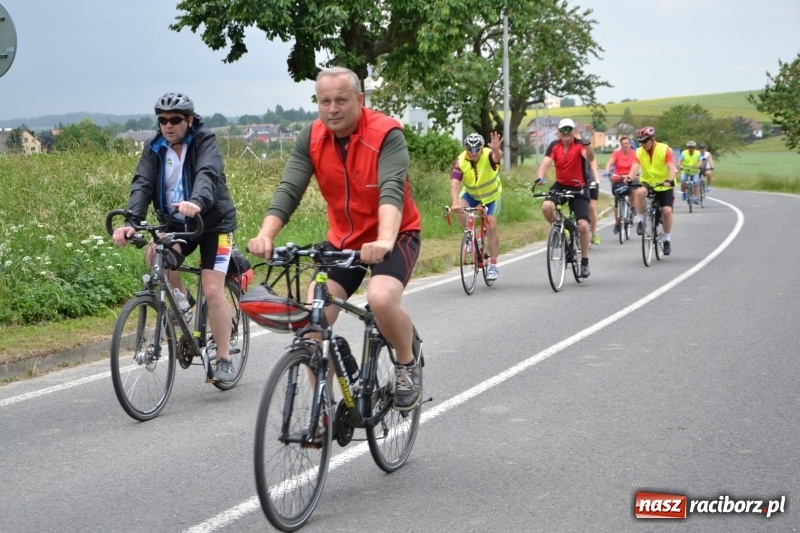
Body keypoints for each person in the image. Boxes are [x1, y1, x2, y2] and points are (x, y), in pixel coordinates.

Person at [247, 67, 422, 410]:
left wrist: (385, 240)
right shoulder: (311, 138)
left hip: (395, 233)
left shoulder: (386, 134)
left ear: (360, 99)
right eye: (324, 101)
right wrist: (265, 235)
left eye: (341, 100)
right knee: (313, 319)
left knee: (382, 298)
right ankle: (322, 408)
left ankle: (406, 362)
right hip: (344, 240)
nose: (332, 109)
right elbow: (289, 189)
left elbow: (391, 191)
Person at [112, 92, 239, 382]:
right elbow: (142, 183)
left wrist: (197, 200)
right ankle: (183, 302)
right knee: (154, 255)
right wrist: (131, 221)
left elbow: (208, 173)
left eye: (174, 120)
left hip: (213, 224)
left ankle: (223, 357)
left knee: (211, 287)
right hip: (178, 223)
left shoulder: (205, 141)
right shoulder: (155, 147)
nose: (168, 125)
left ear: (189, 120)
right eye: (162, 120)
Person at [535, 118, 595, 278]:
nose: (567, 133)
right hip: (561, 185)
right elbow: (545, 164)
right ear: (559, 132)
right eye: (563, 130)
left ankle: (584, 262)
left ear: (574, 131)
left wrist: (588, 143)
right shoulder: (554, 145)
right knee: (547, 206)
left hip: (579, 186)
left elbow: (590, 158)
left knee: (583, 226)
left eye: (570, 130)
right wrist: (541, 178)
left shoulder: (580, 144)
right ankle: (566, 227)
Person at [449, 131, 503, 279]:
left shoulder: (488, 154)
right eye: (470, 149)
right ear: (466, 149)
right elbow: (455, 184)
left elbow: (496, 158)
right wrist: (454, 203)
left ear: (481, 148)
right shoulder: (460, 161)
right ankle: (471, 236)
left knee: (490, 225)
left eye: (477, 149)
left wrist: (497, 150)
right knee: (458, 208)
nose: (474, 153)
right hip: (472, 194)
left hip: (492, 196)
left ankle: (493, 264)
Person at [628, 126, 676, 255]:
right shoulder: (639, 152)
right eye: (640, 141)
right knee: (639, 192)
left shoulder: (665, 149)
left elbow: (671, 166)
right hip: (648, 182)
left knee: (667, 211)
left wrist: (670, 179)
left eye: (645, 141)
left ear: (652, 139)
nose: (643, 144)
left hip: (664, 183)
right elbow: (635, 166)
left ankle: (666, 239)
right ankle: (641, 221)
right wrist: (630, 177)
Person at [604, 135, 637, 234]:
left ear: (630, 144)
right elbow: (609, 163)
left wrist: (637, 173)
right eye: (623, 144)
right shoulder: (617, 153)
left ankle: (632, 207)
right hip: (618, 178)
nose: (625, 145)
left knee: (633, 188)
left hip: (630, 177)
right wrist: (607, 171)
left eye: (627, 143)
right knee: (617, 201)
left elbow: (638, 164)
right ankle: (617, 223)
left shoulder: (635, 154)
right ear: (620, 145)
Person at [587, 157, 601, 246]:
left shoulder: (587, 153)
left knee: (592, 207)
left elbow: (594, 167)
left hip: (591, 182)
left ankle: (594, 233)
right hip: (577, 183)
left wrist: (596, 181)